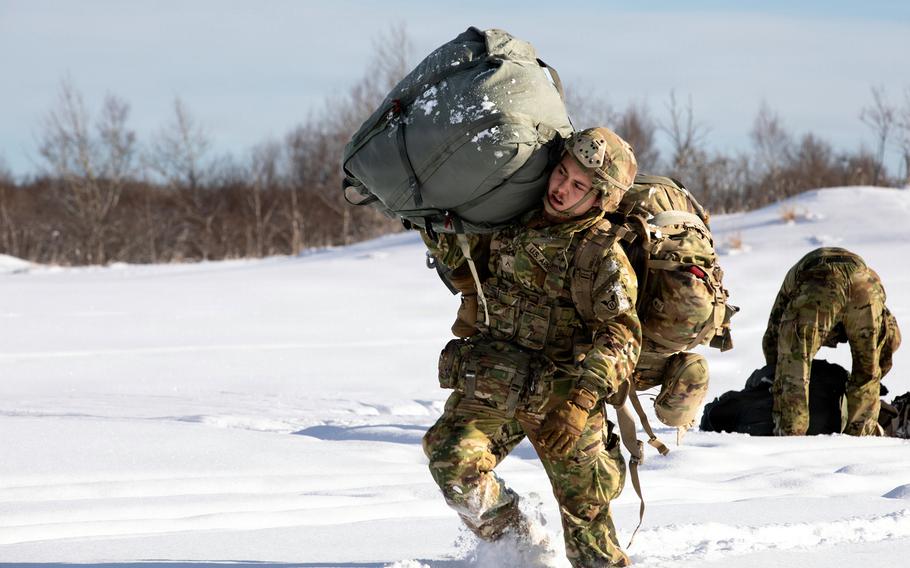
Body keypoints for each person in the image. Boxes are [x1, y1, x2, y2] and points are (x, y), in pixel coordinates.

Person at [423, 127, 641, 567]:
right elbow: (460, 251)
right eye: (561, 173)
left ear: (600, 199)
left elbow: (621, 336)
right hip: (496, 378)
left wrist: (580, 402)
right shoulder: (511, 217)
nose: (561, 189)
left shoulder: (602, 256)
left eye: (579, 185)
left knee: (587, 518)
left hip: (562, 395)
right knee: (452, 462)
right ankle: (520, 546)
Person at [762, 247, 901, 436]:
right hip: (865, 284)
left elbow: (773, 337)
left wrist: (776, 373)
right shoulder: (869, 283)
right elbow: (888, 342)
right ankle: (860, 440)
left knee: (794, 373)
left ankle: (791, 439)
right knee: (867, 374)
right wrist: (874, 378)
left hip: (818, 283)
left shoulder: (794, 282)